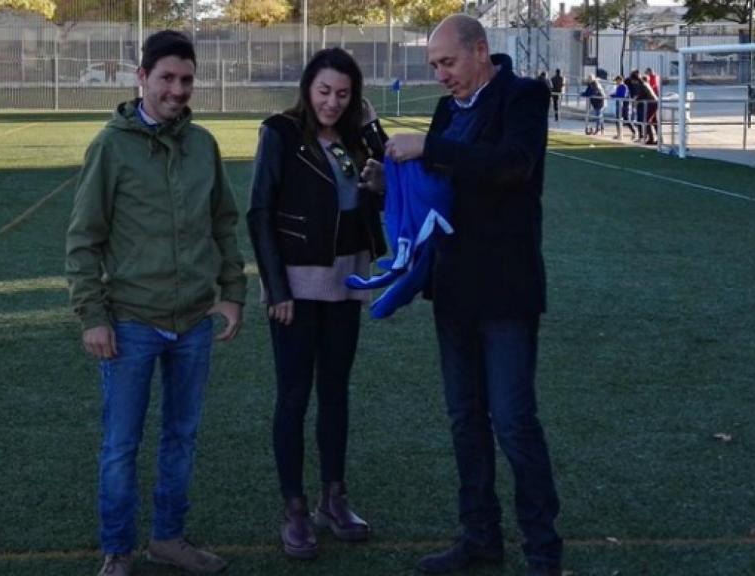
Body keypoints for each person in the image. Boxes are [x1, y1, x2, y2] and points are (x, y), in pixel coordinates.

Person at [385, 14, 563, 576]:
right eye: (434, 66)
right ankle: (479, 538)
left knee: (513, 420)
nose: (441, 75)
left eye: (448, 62)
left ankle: (542, 552)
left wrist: (431, 147)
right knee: (465, 419)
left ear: (480, 51)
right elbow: (441, 192)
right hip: (455, 292)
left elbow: (513, 166)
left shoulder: (524, 96)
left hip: (507, 293)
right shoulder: (446, 111)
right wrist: (387, 182)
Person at [66, 30, 246, 576]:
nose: (177, 89)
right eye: (166, 78)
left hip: (193, 321)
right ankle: (117, 550)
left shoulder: (203, 145)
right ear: (141, 78)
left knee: (181, 438)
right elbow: (83, 238)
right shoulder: (110, 146)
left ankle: (168, 538)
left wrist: (233, 293)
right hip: (131, 323)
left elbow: (224, 224)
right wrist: (93, 316)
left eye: (186, 79)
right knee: (121, 444)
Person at [246, 47, 387, 560]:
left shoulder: (356, 137)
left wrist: (376, 163)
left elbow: (382, 189)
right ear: (308, 88)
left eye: (344, 94)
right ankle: (295, 508)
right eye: (324, 90)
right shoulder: (280, 133)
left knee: (336, 394)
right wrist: (276, 290)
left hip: (347, 282)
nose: (332, 101)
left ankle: (335, 497)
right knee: (293, 396)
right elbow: (259, 212)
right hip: (297, 291)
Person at [611, 74, 636, 139]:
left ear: (620, 80)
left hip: (625, 106)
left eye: (617, 81)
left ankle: (634, 132)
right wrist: (613, 95)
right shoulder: (619, 87)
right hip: (620, 105)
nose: (616, 82)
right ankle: (619, 134)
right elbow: (618, 94)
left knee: (626, 120)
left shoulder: (623, 86)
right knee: (618, 120)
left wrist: (613, 96)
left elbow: (622, 96)